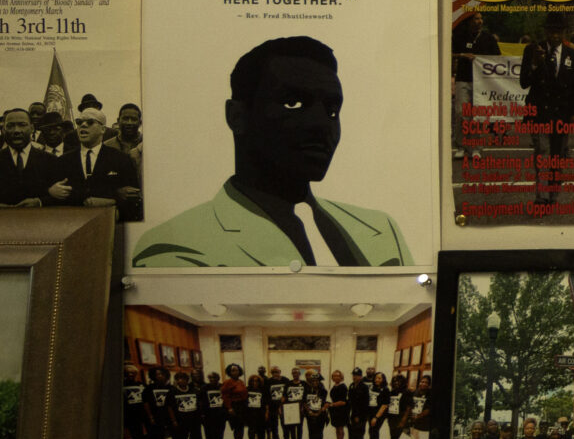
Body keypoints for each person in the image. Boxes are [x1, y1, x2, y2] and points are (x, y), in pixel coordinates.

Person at [132, 37, 413, 267]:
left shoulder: (381, 229)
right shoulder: (175, 248)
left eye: (332, 110)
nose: (321, 124)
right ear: (237, 116)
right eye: (292, 103)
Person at [523, 16, 574, 211]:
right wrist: (535, 64)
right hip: (540, 112)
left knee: (558, 156)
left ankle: (553, 193)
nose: (554, 35)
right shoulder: (532, 51)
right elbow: (524, 82)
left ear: (564, 33)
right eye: (551, 31)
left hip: (563, 113)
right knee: (542, 152)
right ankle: (541, 196)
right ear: (545, 32)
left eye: (558, 31)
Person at [42, 96, 143, 220]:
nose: (83, 126)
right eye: (79, 122)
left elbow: (132, 199)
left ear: (103, 129)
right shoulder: (63, 161)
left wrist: (112, 201)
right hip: (73, 223)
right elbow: (54, 200)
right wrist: (50, 191)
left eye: (90, 122)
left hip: (108, 224)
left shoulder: (121, 160)